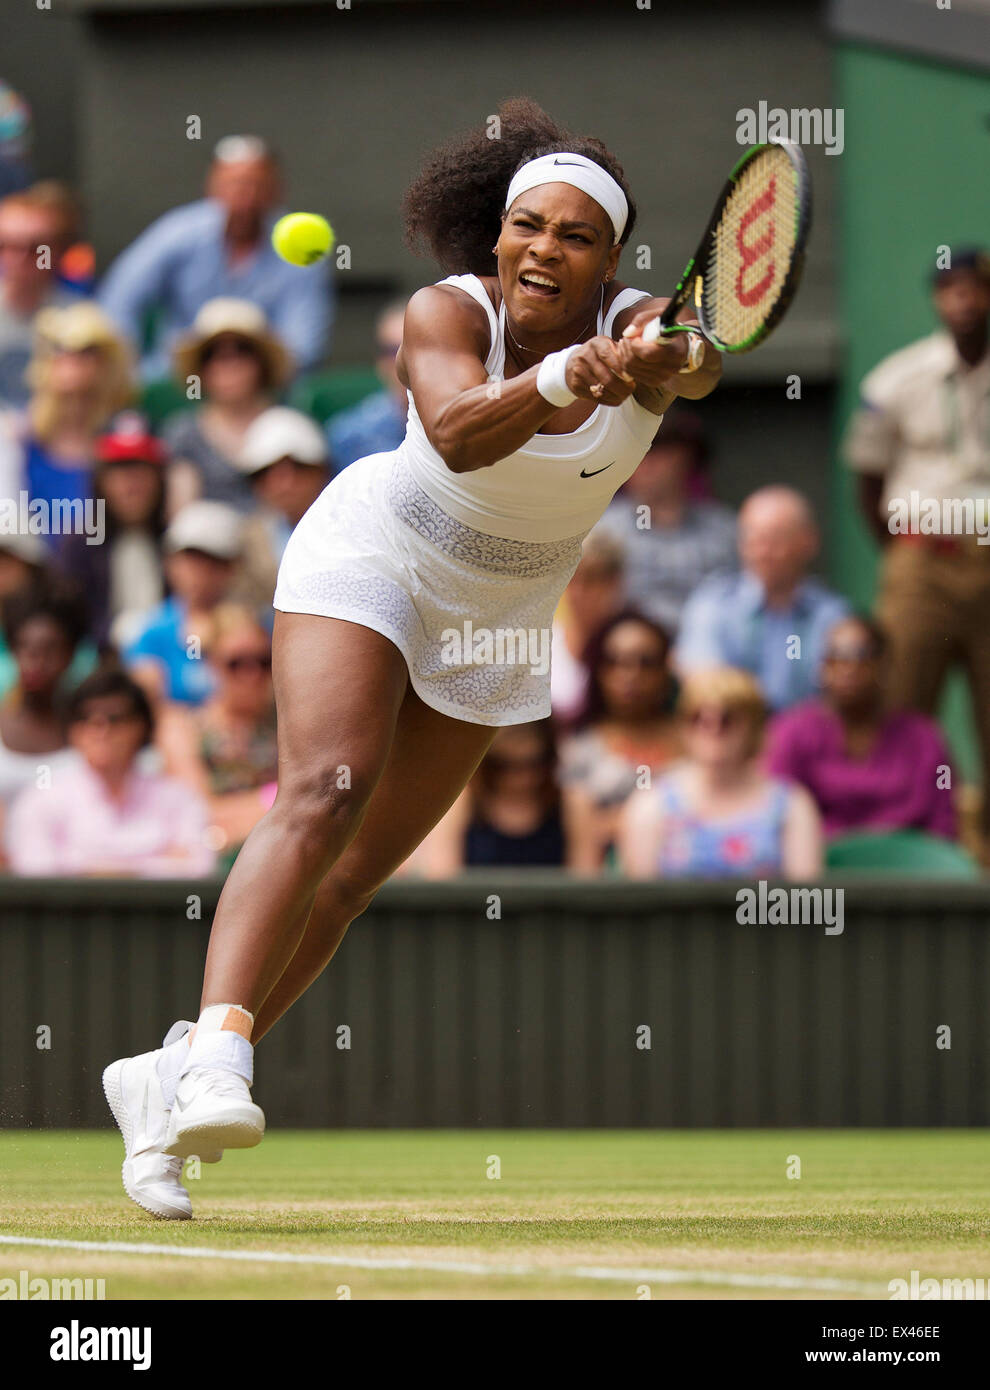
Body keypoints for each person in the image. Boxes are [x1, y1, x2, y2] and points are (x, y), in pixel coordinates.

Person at [101, 96, 722, 1221]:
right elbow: (452, 431)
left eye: (577, 237)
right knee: (325, 787)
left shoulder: (643, 322)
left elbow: (698, 363)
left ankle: (165, 1070)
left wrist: (668, 356)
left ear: (611, 260)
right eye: (530, 225)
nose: (547, 248)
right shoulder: (446, 313)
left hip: (501, 607)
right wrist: (561, 378)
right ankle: (221, 1057)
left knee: (348, 884)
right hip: (378, 549)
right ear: (496, 234)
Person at [843, 248, 990, 844]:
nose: (966, 300)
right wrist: (903, 551)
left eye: (977, 288)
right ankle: (904, 846)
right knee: (902, 708)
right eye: (952, 289)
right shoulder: (898, 378)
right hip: (923, 561)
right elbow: (868, 478)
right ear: (937, 298)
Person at [98, 135, 333, 382]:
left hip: (265, 388)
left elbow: (304, 347)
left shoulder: (300, 250)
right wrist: (127, 374)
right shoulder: (177, 233)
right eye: (235, 184)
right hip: (175, 380)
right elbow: (119, 299)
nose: (246, 197)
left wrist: (248, 379)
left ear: (276, 191)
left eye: (257, 185)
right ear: (212, 187)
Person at [5, 666, 216, 878]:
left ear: (141, 726)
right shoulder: (40, 800)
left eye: (114, 718)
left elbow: (199, 867)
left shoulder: (178, 799)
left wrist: (83, 867)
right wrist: (156, 862)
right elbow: (35, 874)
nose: (100, 729)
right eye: (85, 718)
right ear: (72, 728)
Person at [619, 666, 823, 880]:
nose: (712, 727)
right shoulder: (651, 804)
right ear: (683, 727)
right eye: (698, 717)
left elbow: (806, 903)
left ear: (753, 727)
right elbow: (640, 903)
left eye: (726, 718)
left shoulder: (792, 805)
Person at [765, 615, 956, 840]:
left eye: (861, 656)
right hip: (820, 865)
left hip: (906, 865)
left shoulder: (923, 737)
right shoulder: (791, 733)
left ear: (884, 665)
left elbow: (943, 822)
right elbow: (776, 814)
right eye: (835, 657)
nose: (848, 668)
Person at [675, 486, 848, 711]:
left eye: (776, 539)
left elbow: (843, 696)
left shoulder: (833, 615)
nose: (763, 551)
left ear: (809, 541)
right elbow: (703, 683)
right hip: (732, 735)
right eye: (753, 539)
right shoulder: (712, 602)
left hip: (809, 741)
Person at [0, 303, 134, 544]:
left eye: (88, 352)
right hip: (33, 569)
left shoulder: (124, 438)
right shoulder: (16, 437)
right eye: (61, 349)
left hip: (100, 571)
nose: (73, 361)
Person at [558, 609, 680, 869]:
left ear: (665, 670)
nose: (630, 674)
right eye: (616, 661)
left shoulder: (697, 738)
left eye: (645, 662)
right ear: (599, 670)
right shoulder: (576, 748)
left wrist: (617, 822)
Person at [157, 604, 277, 860]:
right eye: (237, 663)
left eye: (262, 662)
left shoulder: (286, 727)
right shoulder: (182, 726)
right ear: (213, 663)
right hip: (211, 859)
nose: (252, 674)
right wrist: (274, 799)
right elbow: (199, 812)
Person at [600, 411, 736, 633]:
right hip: (628, 657)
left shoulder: (725, 530)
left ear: (686, 458)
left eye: (656, 450)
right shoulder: (602, 531)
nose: (643, 462)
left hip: (706, 657)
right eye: (634, 450)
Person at [162, 298, 292, 517]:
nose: (229, 361)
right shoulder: (183, 434)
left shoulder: (289, 428)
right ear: (202, 368)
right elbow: (182, 520)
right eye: (213, 353)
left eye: (242, 350)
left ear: (261, 363)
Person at [54, 411, 167, 650]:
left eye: (141, 470)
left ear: (160, 478)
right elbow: (67, 625)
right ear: (100, 481)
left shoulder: (178, 541)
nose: (132, 484)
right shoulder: (79, 546)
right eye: (120, 472)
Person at [123, 500, 244, 706]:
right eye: (189, 560)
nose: (199, 572)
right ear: (170, 564)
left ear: (231, 568)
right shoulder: (150, 630)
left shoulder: (251, 628)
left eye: (212, 562)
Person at [415, 719, 570, 872]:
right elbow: (442, 877)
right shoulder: (462, 802)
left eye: (534, 763)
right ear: (483, 763)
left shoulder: (566, 802)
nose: (521, 779)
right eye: (504, 766)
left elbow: (583, 881)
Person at [231, 405, 333, 608]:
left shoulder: (353, 527)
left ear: (320, 471)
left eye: (298, 468)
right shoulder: (248, 540)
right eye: (268, 473)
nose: (284, 484)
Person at [0, 582, 86, 811]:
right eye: (26, 648)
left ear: (70, 655)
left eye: (49, 650)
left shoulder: (91, 729)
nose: (35, 663)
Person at [0, 182, 84, 409]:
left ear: (60, 250)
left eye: (34, 248)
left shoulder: (82, 323)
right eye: (5, 245)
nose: (17, 258)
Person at [550, 524, 625, 723]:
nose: (578, 592)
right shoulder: (540, 644)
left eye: (592, 578)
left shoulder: (636, 646)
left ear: (614, 581)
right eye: (571, 577)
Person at [326, 300, 408, 472]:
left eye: (413, 347)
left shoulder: (464, 425)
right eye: (392, 351)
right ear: (379, 362)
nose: (404, 361)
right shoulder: (348, 436)